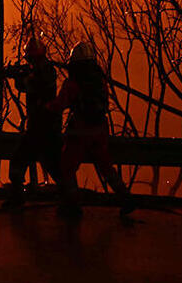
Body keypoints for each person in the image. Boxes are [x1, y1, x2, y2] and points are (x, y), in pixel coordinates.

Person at [51, 41, 135, 218]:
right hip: (100, 129)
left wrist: (45, 107)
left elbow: (59, 105)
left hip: (81, 130)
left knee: (67, 167)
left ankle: (72, 206)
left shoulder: (72, 84)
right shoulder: (100, 82)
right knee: (105, 167)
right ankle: (126, 198)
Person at [0, 37, 61, 208]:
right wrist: (9, 73)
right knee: (53, 165)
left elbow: (30, 85)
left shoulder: (45, 72)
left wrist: (19, 77)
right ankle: (69, 200)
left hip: (41, 127)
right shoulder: (40, 69)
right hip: (45, 127)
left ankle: (17, 198)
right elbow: (25, 84)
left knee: (18, 160)